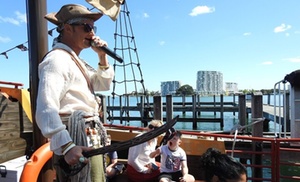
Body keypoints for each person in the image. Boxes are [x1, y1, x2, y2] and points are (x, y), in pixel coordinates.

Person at [35, 4, 114, 181]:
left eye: (93, 28)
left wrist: (102, 57)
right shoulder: (57, 59)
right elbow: (46, 108)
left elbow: (102, 84)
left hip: (88, 137)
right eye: (86, 27)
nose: (92, 33)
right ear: (68, 28)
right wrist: (67, 146)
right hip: (76, 139)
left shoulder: (76, 61)